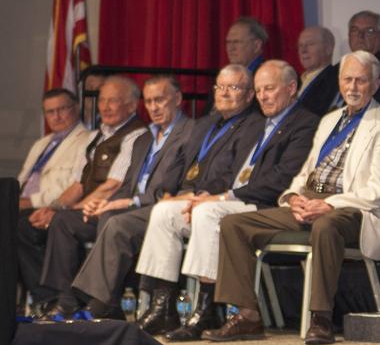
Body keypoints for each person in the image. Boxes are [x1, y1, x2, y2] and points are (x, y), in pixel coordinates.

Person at [203, 50, 380, 345]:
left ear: (375, 85)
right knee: (234, 224)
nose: (352, 87)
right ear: (339, 82)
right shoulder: (329, 121)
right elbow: (307, 171)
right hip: (311, 201)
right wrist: (293, 197)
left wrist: (329, 204)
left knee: (326, 225)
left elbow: (378, 192)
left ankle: (321, 317)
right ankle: (248, 315)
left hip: (353, 209)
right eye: (347, 79)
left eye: (361, 81)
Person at [134, 60, 320, 340]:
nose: (263, 96)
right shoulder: (263, 123)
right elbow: (232, 171)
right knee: (164, 212)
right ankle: (164, 306)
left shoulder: (305, 123)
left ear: (292, 88)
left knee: (207, 213)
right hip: (234, 198)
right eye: (259, 90)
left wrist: (220, 197)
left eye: (269, 89)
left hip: (265, 204)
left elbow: (283, 178)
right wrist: (202, 196)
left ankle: (207, 307)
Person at [71, 66, 261, 324]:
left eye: (233, 88)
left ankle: (196, 307)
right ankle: (158, 306)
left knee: (122, 222)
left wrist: (196, 194)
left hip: (215, 200)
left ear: (249, 94)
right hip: (179, 198)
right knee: (127, 215)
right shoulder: (205, 125)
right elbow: (176, 169)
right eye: (220, 87)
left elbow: (234, 172)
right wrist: (169, 194)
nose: (224, 93)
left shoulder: (247, 126)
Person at [37, 75, 195, 319]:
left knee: (114, 220)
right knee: (64, 221)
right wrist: (102, 203)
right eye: (149, 101)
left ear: (177, 99)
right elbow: (127, 183)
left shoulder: (190, 133)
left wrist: (125, 202)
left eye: (160, 100)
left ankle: (102, 303)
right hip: (128, 205)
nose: (153, 107)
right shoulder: (146, 138)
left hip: (160, 205)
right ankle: (67, 300)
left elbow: (171, 184)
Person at [14, 89, 96, 305]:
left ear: (76, 108)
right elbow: (22, 180)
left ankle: (48, 299)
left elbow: (72, 186)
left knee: (20, 228)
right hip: (22, 205)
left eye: (62, 109)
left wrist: (29, 202)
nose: (56, 116)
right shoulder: (41, 144)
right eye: (50, 112)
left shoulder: (87, 140)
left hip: (54, 206)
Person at [296, 25, 338, 115]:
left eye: (310, 44)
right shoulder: (294, 80)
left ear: (328, 49)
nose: (303, 50)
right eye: (300, 45)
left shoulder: (334, 81)